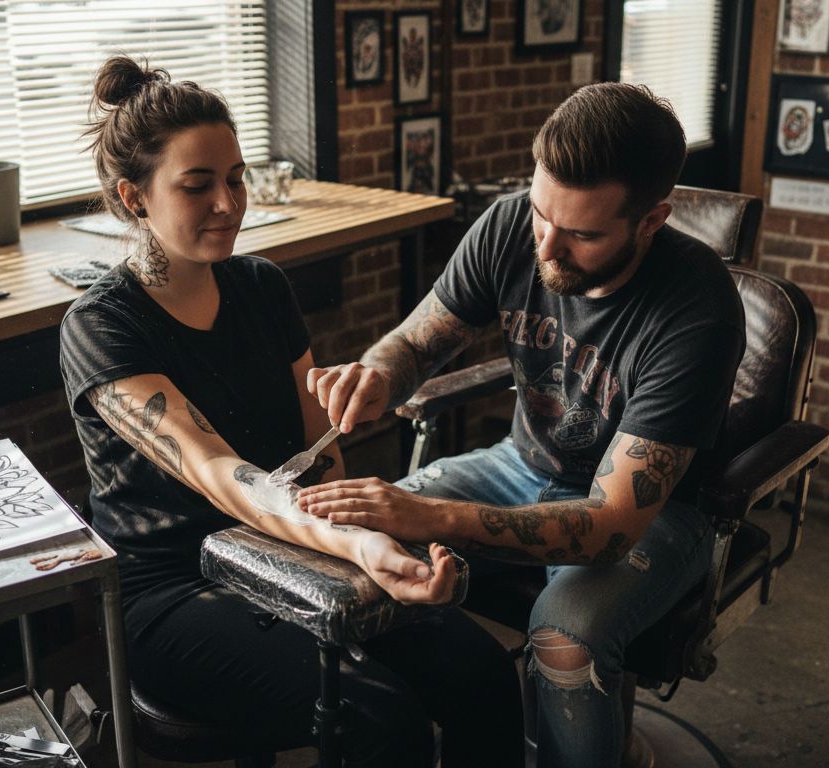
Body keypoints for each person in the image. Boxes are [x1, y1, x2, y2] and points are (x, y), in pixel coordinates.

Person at [59, 56, 522, 768]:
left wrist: (377, 547)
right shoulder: (102, 326)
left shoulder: (262, 287)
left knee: (481, 673)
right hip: (175, 589)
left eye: (237, 177)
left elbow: (321, 455)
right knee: (378, 716)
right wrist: (361, 551)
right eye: (198, 185)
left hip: (296, 550)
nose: (228, 203)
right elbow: (219, 473)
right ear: (133, 197)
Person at [297, 82, 746, 768]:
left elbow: (608, 525)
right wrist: (377, 375)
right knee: (356, 545)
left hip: (654, 516)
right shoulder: (512, 223)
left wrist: (433, 516)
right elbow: (417, 344)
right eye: (542, 214)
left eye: (583, 233)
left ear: (652, 220)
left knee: (564, 633)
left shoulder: (697, 307)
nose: (548, 246)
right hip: (518, 466)